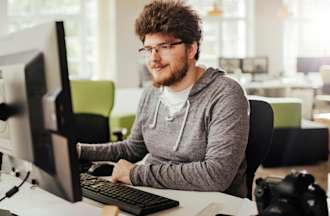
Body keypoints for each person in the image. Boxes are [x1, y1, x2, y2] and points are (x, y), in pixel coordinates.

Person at [77, 0, 249, 197]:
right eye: (149, 49)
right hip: (156, 194)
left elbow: (216, 175)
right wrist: (79, 151)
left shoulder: (225, 93)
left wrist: (136, 173)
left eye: (164, 47)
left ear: (191, 49)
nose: (153, 59)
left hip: (209, 205)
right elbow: (134, 148)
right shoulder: (151, 93)